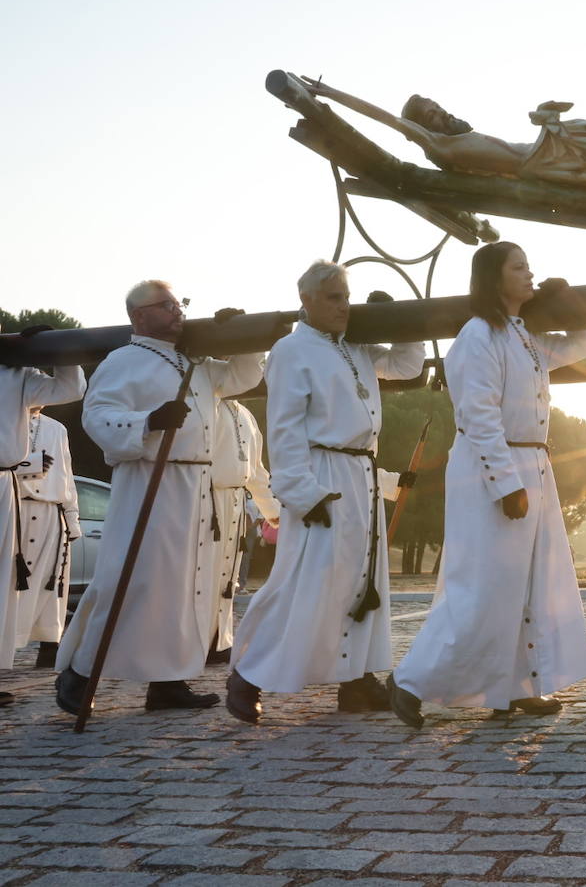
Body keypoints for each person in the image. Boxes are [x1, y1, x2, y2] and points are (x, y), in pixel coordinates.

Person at [386, 242, 586, 729]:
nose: (529, 273)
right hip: (493, 472)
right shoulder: (477, 336)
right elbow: (477, 416)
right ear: (492, 278)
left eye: (528, 265)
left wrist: (574, 306)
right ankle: (410, 679)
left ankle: (514, 687)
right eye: (518, 267)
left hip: (533, 465)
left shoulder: (524, 335)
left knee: (523, 585)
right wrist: (505, 483)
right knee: (479, 586)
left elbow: (581, 348)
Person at [226, 264, 424, 724]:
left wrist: (403, 320)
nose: (343, 306)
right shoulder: (292, 350)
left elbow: (407, 364)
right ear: (307, 299)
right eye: (333, 297)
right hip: (321, 476)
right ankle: (247, 674)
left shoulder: (355, 345)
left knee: (363, 579)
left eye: (346, 296)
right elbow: (285, 427)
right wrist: (301, 493)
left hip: (361, 473)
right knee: (302, 580)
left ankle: (356, 683)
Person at [56, 284, 261, 714]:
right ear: (139, 317)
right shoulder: (123, 361)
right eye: (166, 305)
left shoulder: (195, 362)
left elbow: (241, 378)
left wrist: (244, 337)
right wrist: (147, 421)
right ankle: (78, 673)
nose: (177, 311)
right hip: (150, 479)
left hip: (194, 485)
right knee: (129, 581)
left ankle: (167, 682)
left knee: (183, 585)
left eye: (178, 303)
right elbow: (97, 415)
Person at [302, 78, 586, 203]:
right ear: (423, 126)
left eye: (439, 107)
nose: (442, 114)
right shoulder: (437, 146)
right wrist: (329, 93)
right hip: (538, 162)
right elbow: (385, 119)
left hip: (540, 154)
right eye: (433, 115)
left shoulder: (458, 137)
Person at [1, 329, 85, 707]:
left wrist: (59, 348)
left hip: (3, 486)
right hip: (13, 487)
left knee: (3, 585)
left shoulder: (15, 374)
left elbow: (69, 388)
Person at [205, 398, 280, 664]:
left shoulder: (246, 415)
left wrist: (272, 510)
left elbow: (256, 470)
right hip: (206, 500)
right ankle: (198, 642)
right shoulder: (206, 406)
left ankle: (218, 640)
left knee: (228, 578)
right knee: (205, 577)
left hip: (236, 503)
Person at [15, 407, 82, 669]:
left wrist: (72, 517)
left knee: (51, 583)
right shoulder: (5, 420)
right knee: (11, 583)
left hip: (51, 515)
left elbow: (67, 477)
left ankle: (50, 645)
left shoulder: (57, 428)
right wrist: (27, 466)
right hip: (15, 509)